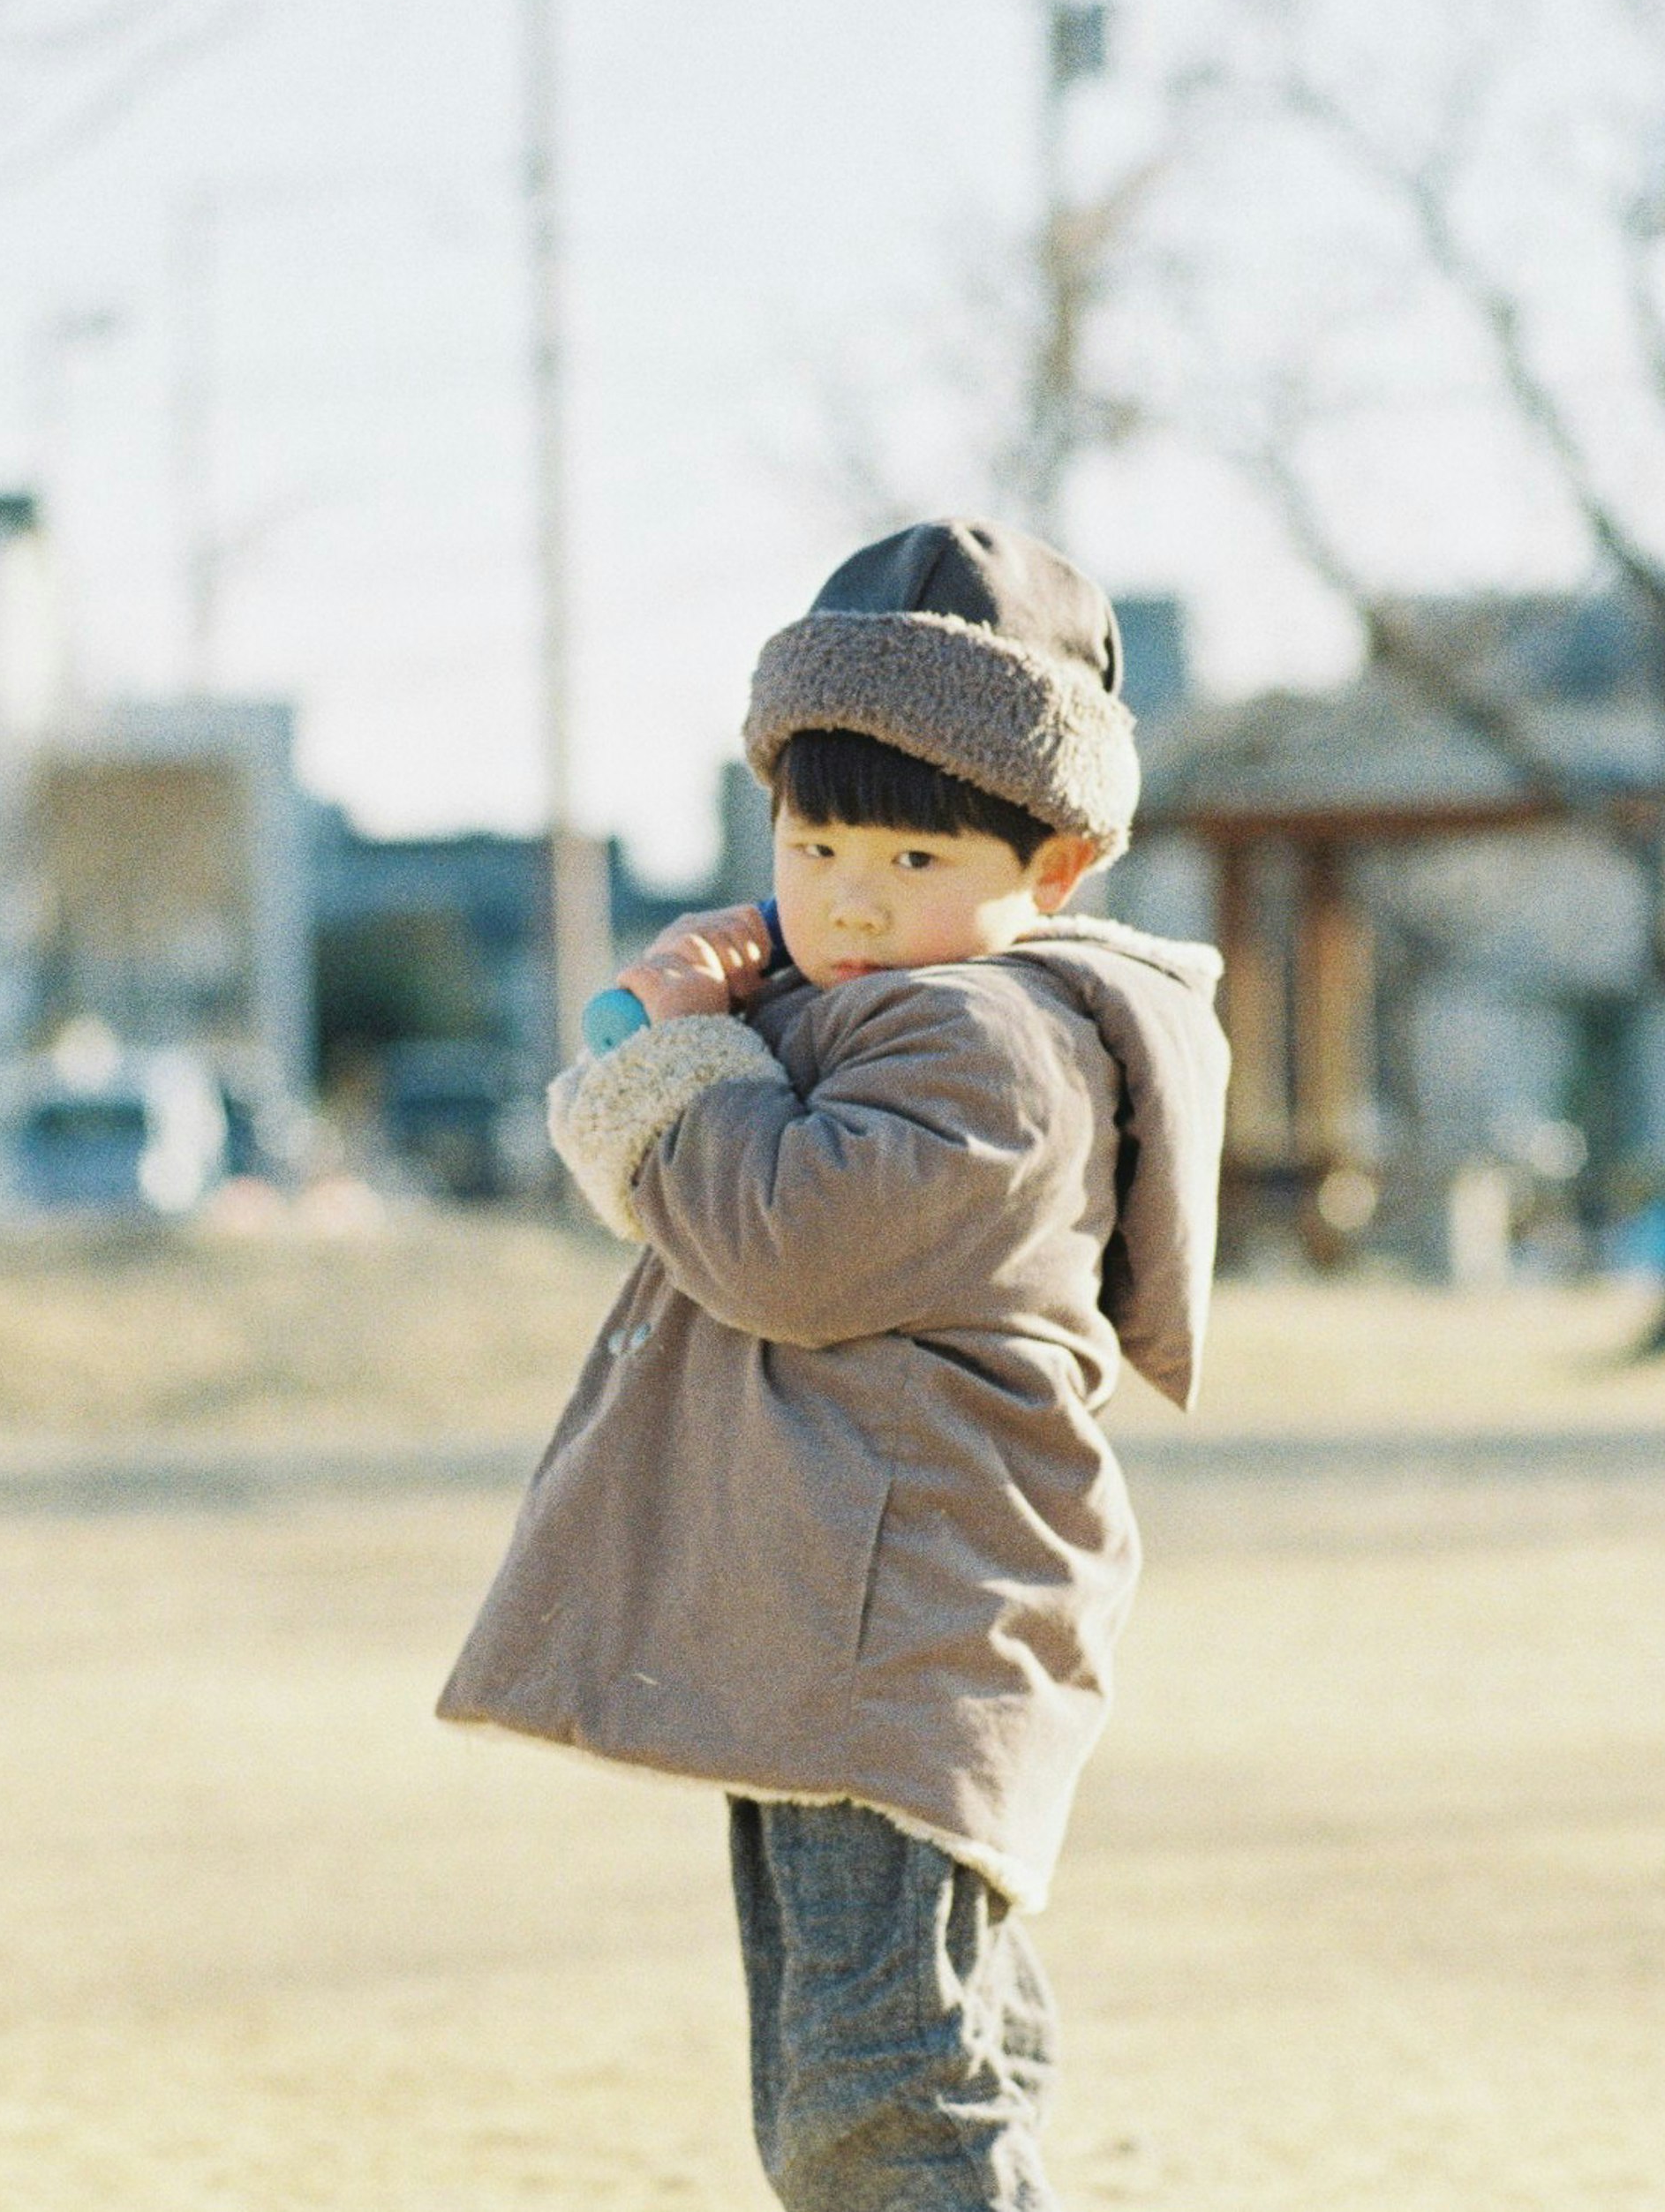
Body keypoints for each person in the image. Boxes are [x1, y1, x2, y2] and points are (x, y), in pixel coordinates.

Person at [438, 521, 1232, 2210]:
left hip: (905, 1644)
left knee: (883, 2105)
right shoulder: (881, 1007)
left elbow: (778, 1239)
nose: (854, 897)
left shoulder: (991, 1044)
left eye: (917, 857)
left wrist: (681, 1047)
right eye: (816, 843)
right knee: (880, 2078)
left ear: (1061, 865)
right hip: (841, 1642)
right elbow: (671, 1178)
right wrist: (681, 1039)